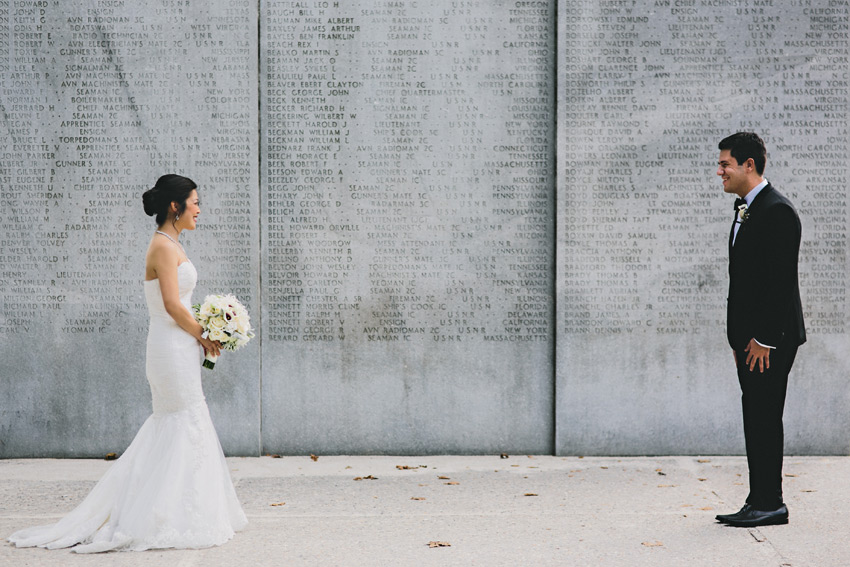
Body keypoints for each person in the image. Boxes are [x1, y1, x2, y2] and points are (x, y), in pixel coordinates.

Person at [8, 174, 247, 552]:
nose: (200, 209)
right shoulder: (163, 247)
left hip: (179, 344)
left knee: (184, 420)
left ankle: (184, 509)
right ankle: (157, 514)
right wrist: (205, 333)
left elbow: (180, 304)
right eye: (195, 202)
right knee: (178, 420)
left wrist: (210, 328)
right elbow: (171, 304)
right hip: (170, 346)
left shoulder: (171, 243)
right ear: (175, 206)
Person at [713, 132, 806, 528]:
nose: (719, 171)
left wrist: (764, 339)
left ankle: (771, 503)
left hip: (771, 340)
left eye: (725, 164)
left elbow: (780, 283)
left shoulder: (777, 211)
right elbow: (745, 280)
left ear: (749, 165)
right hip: (750, 341)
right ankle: (760, 498)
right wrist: (739, 338)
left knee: (764, 416)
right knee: (756, 415)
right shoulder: (747, 208)